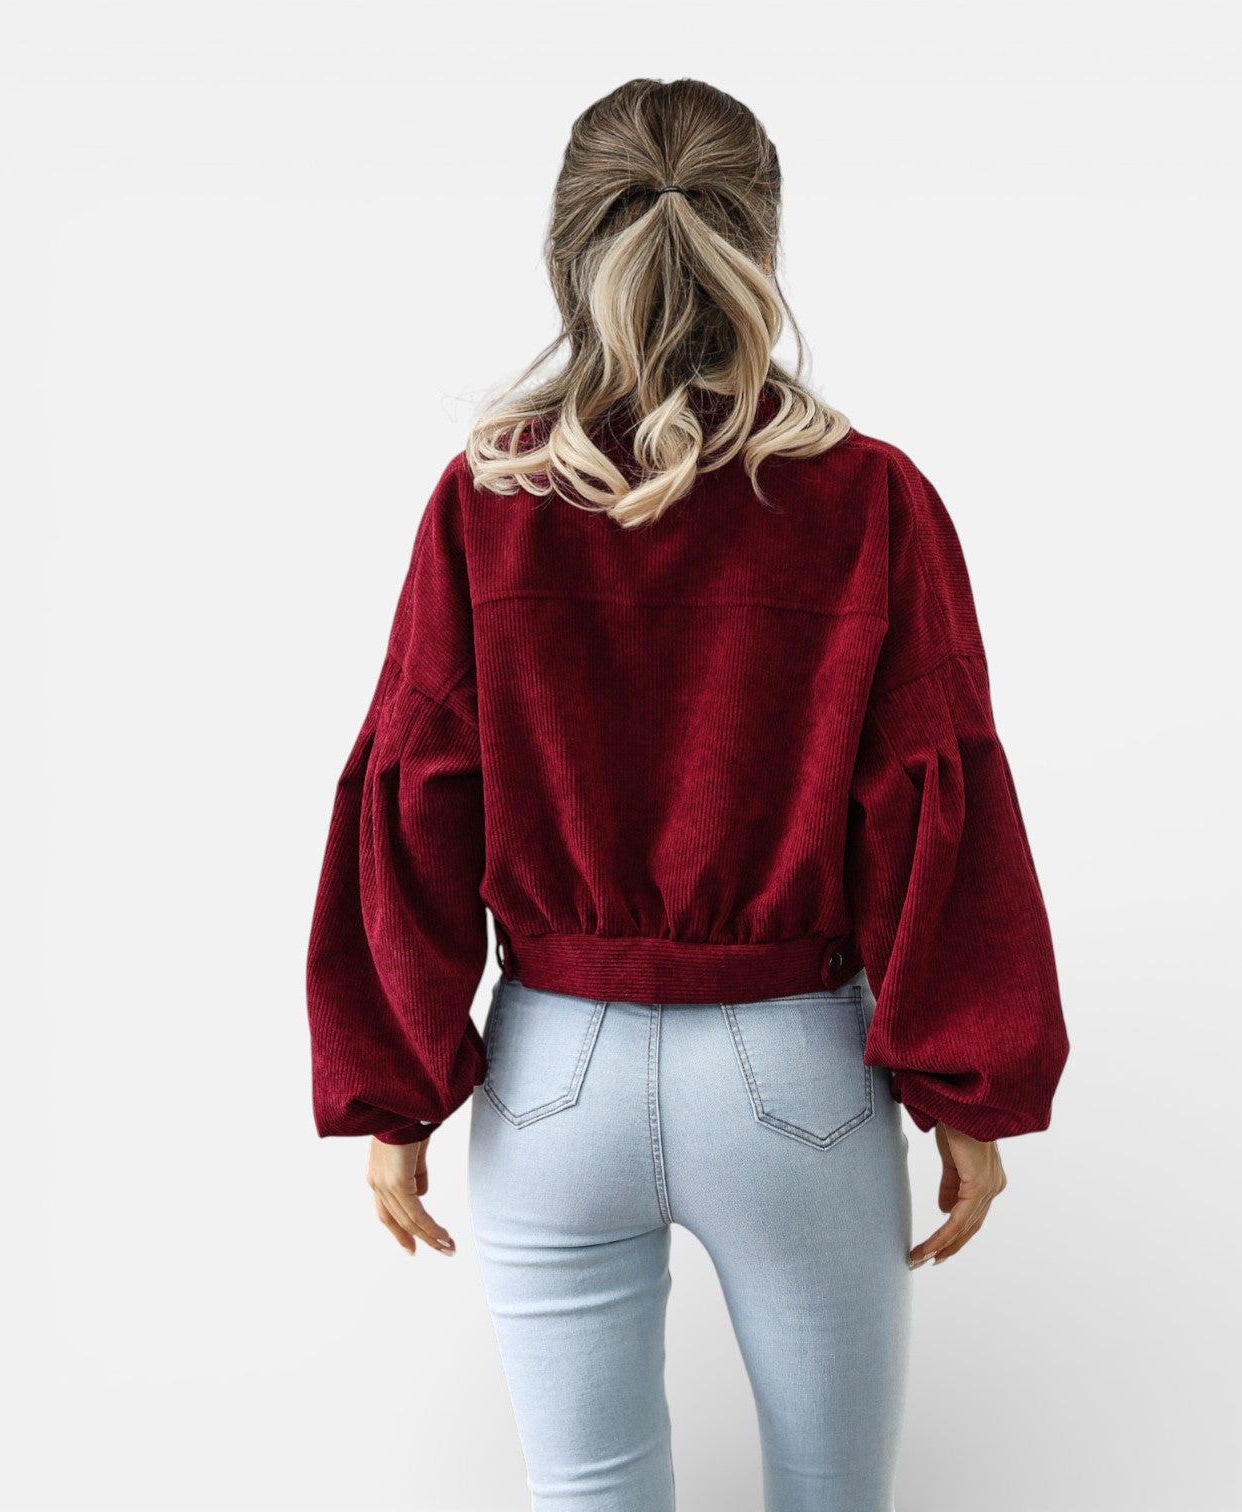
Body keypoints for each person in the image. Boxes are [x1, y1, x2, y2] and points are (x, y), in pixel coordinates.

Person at [304, 75, 1069, 1512]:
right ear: (762, 249)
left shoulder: (485, 501)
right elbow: (935, 799)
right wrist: (970, 1085)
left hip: (552, 1079)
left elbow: (419, 795)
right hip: (798, 1074)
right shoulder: (873, 500)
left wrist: (394, 1090)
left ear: (565, 252)